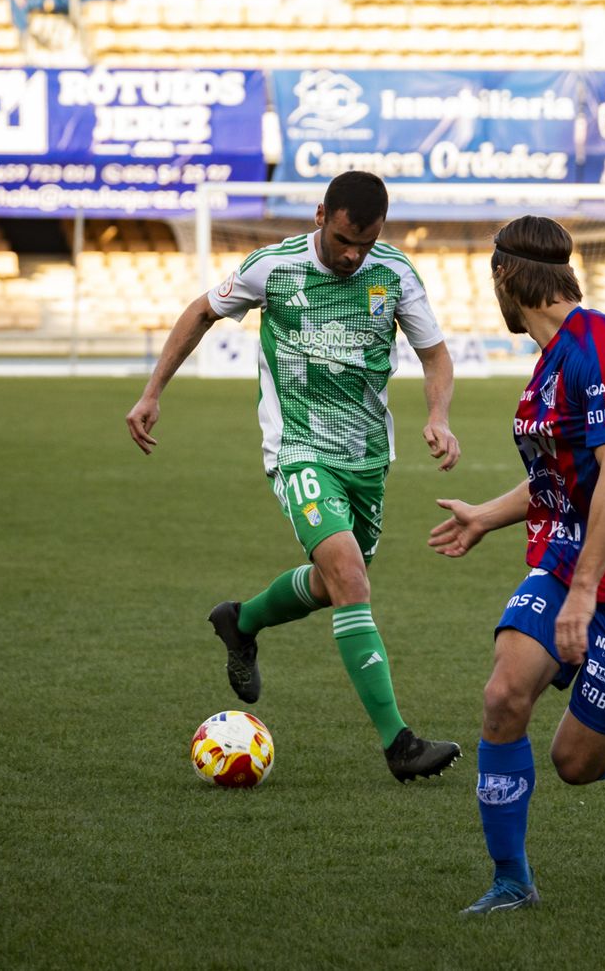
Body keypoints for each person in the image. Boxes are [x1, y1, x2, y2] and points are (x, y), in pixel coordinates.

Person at [126, 171, 464, 783]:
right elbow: (202, 310)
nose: (352, 254)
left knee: (339, 583)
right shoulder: (273, 267)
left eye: (365, 242)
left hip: (366, 458)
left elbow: (435, 353)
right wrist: (152, 392)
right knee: (350, 578)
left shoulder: (395, 274)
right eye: (342, 239)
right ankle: (400, 745)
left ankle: (241, 620)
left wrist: (438, 416)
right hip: (299, 452)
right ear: (320, 216)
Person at [430, 215, 605, 914]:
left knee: (574, 764)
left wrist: (584, 595)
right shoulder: (550, 363)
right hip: (568, 557)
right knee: (503, 695)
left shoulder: (601, 345)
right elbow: (564, 478)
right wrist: (487, 516)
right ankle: (511, 881)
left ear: (506, 279)